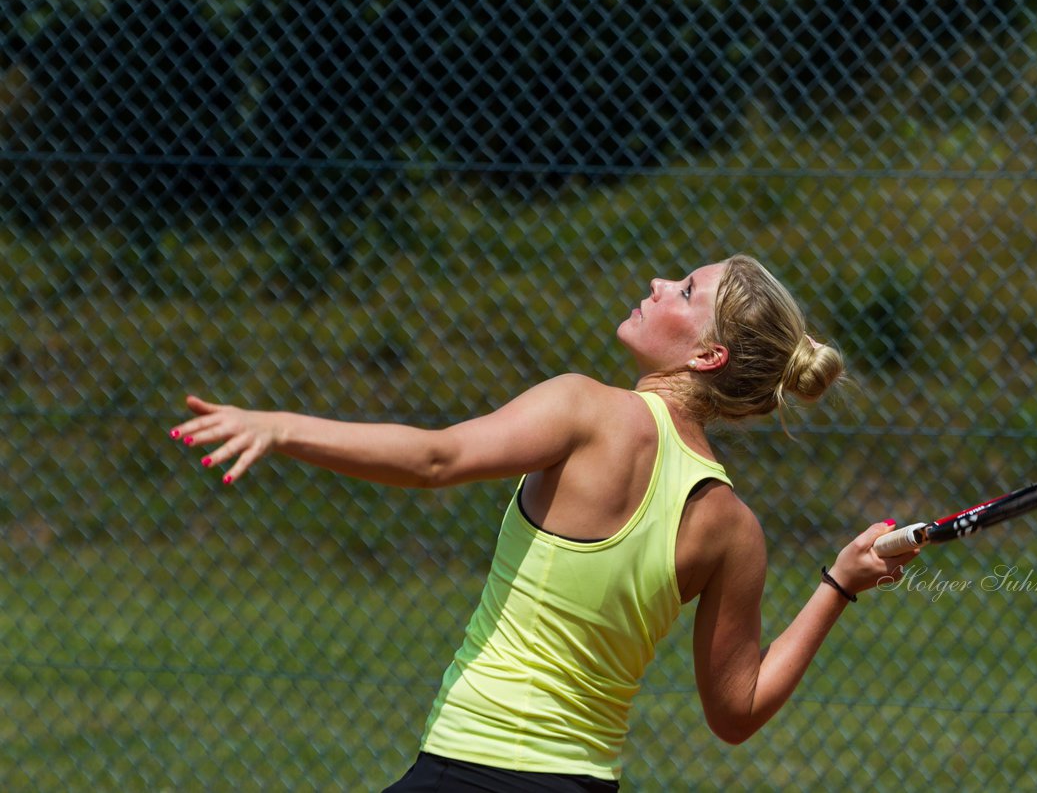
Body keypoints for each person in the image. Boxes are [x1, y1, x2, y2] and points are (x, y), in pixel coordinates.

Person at [171, 255, 918, 791]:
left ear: (707, 353)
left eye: (685, 291)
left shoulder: (585, 407)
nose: (659, 283)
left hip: (465, 768)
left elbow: (435, 460)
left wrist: (280, 427)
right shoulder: (732, 525)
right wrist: (837, 585)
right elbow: (737, 711)